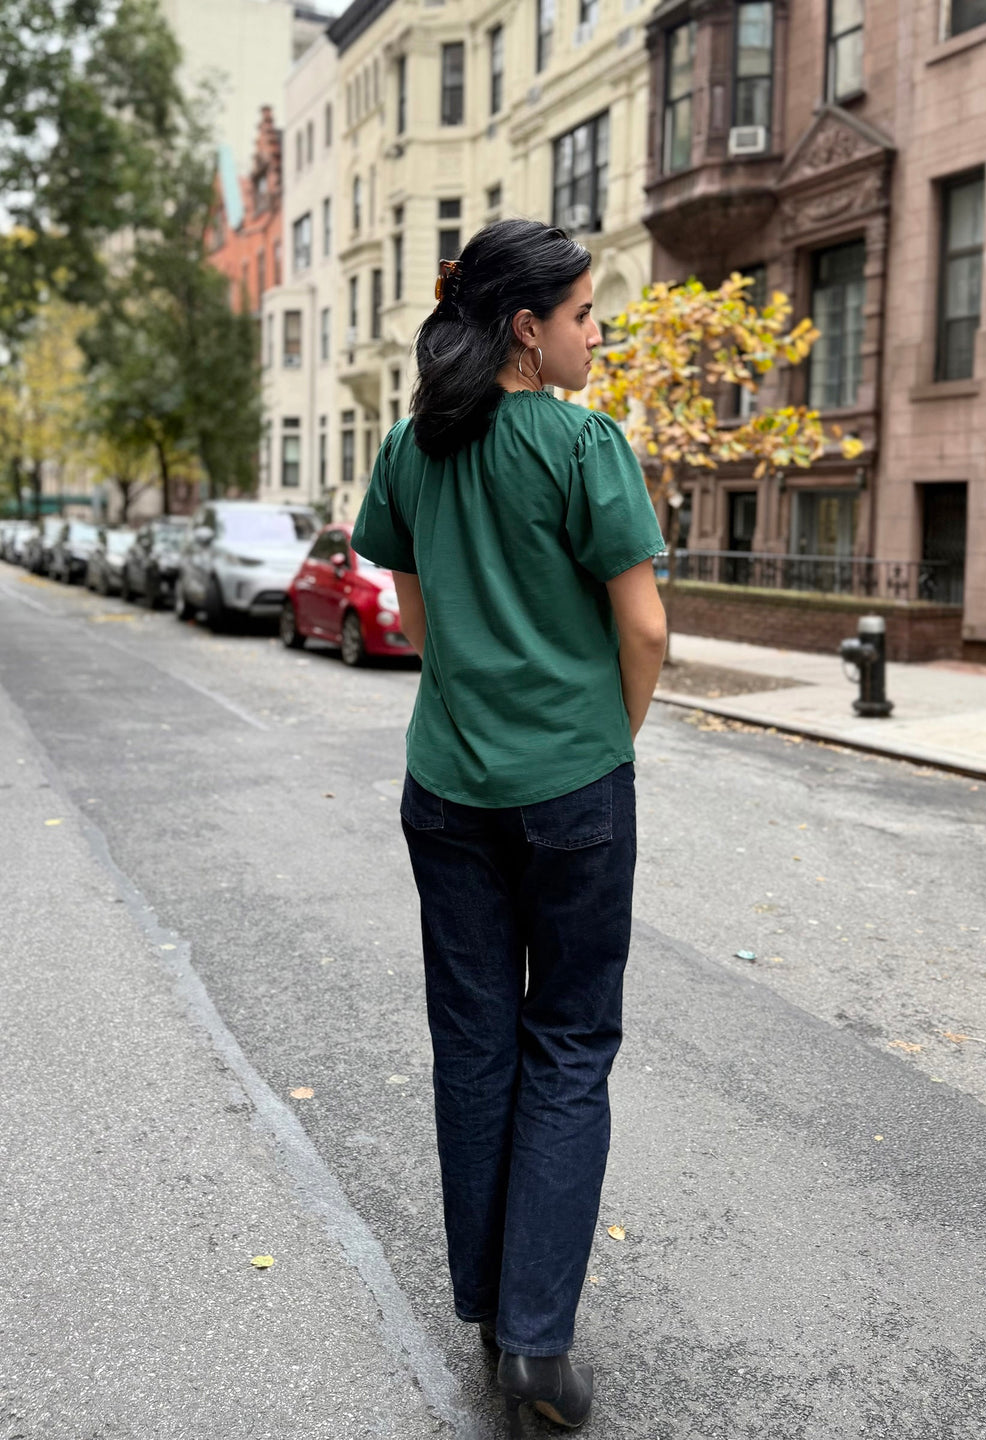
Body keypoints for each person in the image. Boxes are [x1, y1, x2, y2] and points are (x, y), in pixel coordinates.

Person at [352, 218, 667, 1436]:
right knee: (570, 1044)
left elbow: (414, 616)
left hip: (447, 788)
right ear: (528, 330)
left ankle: (491, 1310)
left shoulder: (411, 446)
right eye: (584, 314)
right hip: (572, 786)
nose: (599, 332)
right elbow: (643, 629)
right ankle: (537, 1341)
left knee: (475, 1046)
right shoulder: (586, 444)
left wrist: (475, 696)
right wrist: (606, 736)